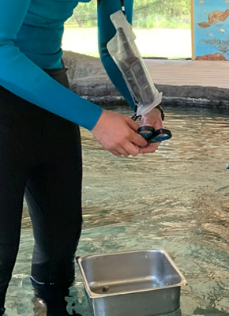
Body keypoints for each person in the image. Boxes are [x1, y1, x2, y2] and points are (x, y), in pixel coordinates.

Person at [0, 1, 166, 314]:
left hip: (51, 91)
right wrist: (96, 119)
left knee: (61, 240)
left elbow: (114, 42)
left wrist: (146, 104)